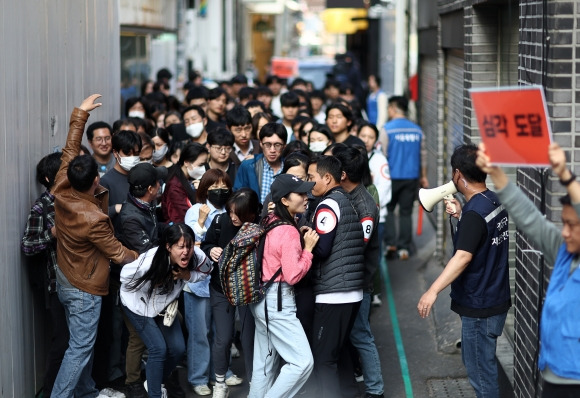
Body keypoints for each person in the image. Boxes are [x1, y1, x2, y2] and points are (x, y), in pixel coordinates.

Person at [51, 94, 138, 398]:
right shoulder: (92, 218)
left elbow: (69, 151)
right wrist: (143, 254)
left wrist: (80, 115)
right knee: (79, 348)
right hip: (84, 287)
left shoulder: (62, 187)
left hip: (67, 275)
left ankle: (87, 393)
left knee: (80, 344)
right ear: (93, 182)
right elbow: (118, 252)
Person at [476, 142, 580, 397]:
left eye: (572, 225)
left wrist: (565, 175)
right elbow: (529, 218)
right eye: (563, 223)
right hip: (554, 376)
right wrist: (497, 173)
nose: (564, 231)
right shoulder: (565, 253)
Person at [417, 144, 510, 398]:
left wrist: (432, 291)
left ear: (458, 174)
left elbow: (462, 257)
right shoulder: (493, 200)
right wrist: (460, 215)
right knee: (485, 369)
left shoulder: (474, 214)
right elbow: (481, 239)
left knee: (481, 375)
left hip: (479, 305)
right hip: (494, 299)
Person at [248, 174, 319, 398]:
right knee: (302, 362)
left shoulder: (270, 221)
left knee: (264, 365)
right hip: (277, 303)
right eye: (300, 193)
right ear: (285, 200)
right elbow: (293, 275)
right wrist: (307, 250)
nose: (306, 197)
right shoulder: (288, 230)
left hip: (261, 299)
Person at [121, 224, 211, 398]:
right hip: (137, 305)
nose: (186, 251)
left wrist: (188, 276)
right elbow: (124, 276)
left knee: (178, 348)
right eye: (180, 247)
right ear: (168, 247)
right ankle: (155, 394)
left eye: (189, 246)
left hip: (163, 306)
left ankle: (154, 381)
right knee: (158, 349)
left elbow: (207, 271)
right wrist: (153, 279)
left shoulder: (197, 256)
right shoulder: (151, 260)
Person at [306, 155, 365, 398]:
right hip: (352, 290)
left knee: (323, 360)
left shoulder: (327, 206)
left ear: (327, 178)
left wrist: (306, 240)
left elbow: (322, 248)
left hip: (334, 294)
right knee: (339, 352)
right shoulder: (348, 200)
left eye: (311, 178)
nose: (309, 183)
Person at [333, 147, 385, 398]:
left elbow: (358, 245)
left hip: (358, 283)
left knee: (361, 334)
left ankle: (376, 390)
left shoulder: (364, 204)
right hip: (348, 281)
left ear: (342, 174)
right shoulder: (346, 195)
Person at [201, 189, 261, 398]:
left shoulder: (259, 226)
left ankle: (256, 383)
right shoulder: (220, 222)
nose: (233, 217)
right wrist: (211, 250)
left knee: (248, 338)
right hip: (220, 287)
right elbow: (207, 243)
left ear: (251, 214)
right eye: (231, 212)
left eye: (239, 214)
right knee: (223, 338)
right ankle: (220, 383)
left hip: (248, 290)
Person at [117, 163, 168, 398]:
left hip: (151, 284)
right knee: (137, 339)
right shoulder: (130, 217)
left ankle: (150, 377)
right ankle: (134, 383)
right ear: (151, 188)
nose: (161, 186)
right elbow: (147, 252)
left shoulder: (147, 205)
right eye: (158, 183)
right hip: (136, 286)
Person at [183, 169, 235, 395]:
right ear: (204, 190)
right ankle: (199, 377)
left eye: (224, 188)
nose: (220, 193)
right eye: (214, 189)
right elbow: (190, 243)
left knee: (222, 333)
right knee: (200, 334)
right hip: (198, 283)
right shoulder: (196, 210)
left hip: (222, 282)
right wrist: (203, 221)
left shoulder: (231, 211)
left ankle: (223, 373)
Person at [21, 152, 68, 398]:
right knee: (62, 342)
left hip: (81, 282)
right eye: (64, 171)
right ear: (50, 177)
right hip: (56, 284)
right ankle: (52, 392)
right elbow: (28, 245)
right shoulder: (42, 206)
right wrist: (52, 234)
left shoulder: (75, 199)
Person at [382, 95, 428, 260]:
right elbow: (423, 154)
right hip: (411, 177)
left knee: (387, 210)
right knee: (406, 212)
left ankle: (390, 244)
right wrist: (423, 176)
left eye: (388, 108)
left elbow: (383, 155)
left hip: (391, 177)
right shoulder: (417, 130)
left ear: (394, 108)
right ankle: (404, 248)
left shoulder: (387, 129)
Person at [234, 122, 287, 204]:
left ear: (284, 146)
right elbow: (238, 197)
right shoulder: (248, 166)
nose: (272, 150)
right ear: (261, 144)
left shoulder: (289, 168)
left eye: (277, 145)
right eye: (268, 144)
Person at [162, 143, 209, 223]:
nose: (203, 168)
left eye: (205, 164)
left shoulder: (190, 178)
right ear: (187, 162)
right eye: (201, 165)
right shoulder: (175, 186)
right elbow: (184, 216)